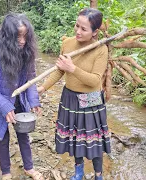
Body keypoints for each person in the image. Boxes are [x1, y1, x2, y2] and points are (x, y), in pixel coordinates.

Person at [37, 8, 110, 180]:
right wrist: (43, 88)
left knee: (94, 141)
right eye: (77, 26)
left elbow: (94, 80)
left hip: (91, 99)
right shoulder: (68, 43)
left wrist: (73, 68)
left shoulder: (101, 50)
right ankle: (79, 172)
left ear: (95, 32)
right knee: (76, 137)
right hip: (70, 97)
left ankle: (98, 175)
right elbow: (59, 71)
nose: (78, 31)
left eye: (84, 29)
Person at [0, 13, 44, 180]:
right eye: (18, 36)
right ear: (7, 36)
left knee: (23, 134)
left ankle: (29, 168)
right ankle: (6, 172)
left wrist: (34, 100)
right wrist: (4, 106)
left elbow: (30, 78)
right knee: (2, 136)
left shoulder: (26, 49)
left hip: (18, 100)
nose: (22, 41)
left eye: (25, 36)